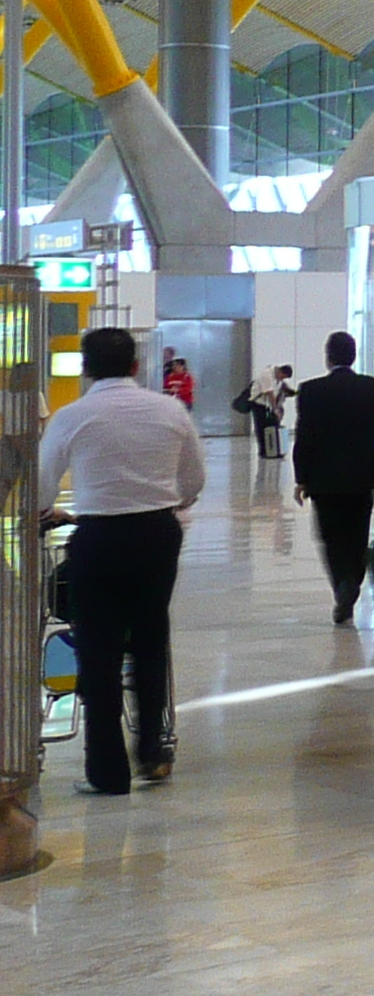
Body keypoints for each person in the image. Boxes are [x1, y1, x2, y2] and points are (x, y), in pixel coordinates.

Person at [41, 327, 205, 796]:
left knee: (99, 652)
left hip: (99, 539)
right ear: (136, 366)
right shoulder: (170, 410)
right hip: (157, 535)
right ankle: (152, 753)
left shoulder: (73, 415)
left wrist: (46, 512)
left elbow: (42, 484)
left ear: (85, 369)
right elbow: (192, 480)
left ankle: (108, 772)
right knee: (151, 639)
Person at [291, 333, 374, 626]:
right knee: (357, 536)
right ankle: (352, 581)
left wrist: (301, 477)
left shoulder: (311, 390)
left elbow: (303, 437)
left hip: (322, 479)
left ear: (328, 356)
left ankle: (343, 584)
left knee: (330, 538)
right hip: (362, 478)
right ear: (354, 356)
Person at [243, 363, 295, 460]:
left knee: (272, 425)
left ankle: (274, 449)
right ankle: (264, 451)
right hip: (258, 404)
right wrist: (275, 410)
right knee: (261, 427)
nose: (282, 379)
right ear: (280, 372)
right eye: (282, 377)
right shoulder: (267, 375)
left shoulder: (278, 378)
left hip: (267, 404)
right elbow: (270, 394)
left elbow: (283, 388)